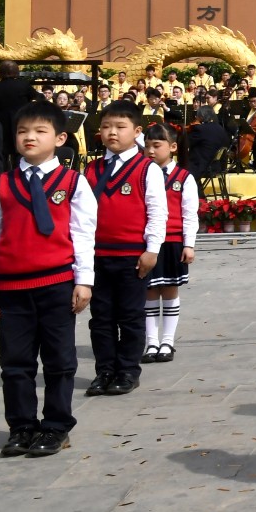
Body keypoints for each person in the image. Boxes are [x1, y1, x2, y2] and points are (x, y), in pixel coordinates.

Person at [0, 100, 98, 457]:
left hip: (57, 282)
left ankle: (57, 426)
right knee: (15, 362)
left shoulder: (72, 182)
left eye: (39, 131)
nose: (29, 137)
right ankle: (21, 427)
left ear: (60, 138)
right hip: (12, 287)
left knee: (60, 361)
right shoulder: (0, 184)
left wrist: (85, 280)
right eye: (22, 131)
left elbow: (82, 233)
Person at [84, 100, 165, 397]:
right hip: (97, 254)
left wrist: (152, 249)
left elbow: (157, 211)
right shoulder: (92, 169)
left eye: (120, 127)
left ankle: (128, 370)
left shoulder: (147, 169)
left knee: (130, 315)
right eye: (106, 127)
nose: (112, 133)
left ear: (137, 131)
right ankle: (104, 370)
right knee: (101, 317)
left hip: (132, 255)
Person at [139, 124, 197, 366]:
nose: (150, 151)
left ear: (172, 147)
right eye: (147, 146)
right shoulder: (141, 175)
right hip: (149, 243)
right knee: (149, 292)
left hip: (173, 241)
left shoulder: (183, 178)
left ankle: (167, 340)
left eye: (156, 146)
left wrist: (189, 244)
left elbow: (189, 213)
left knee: (170, 290)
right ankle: (151, 341)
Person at [0, 61, 40, 160]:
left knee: (2, 155)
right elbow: (37, 97)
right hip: (21, 124)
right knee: (21, 154)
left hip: (1, 125)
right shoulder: (24, 86)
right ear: (16, 71)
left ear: (0, 72)